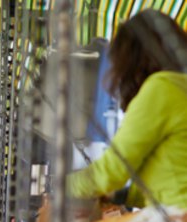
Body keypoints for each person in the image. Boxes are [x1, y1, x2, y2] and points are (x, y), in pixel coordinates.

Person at [69, 9, 187, 209]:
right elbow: (169, 179)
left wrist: (64, 186)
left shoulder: (161, 88)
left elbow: (111, 172)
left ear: (131, 58)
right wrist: (121, 196)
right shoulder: (179, 86)